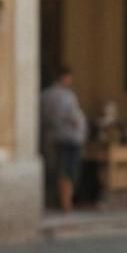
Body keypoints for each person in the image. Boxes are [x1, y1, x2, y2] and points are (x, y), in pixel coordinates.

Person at [39, 65, 87, 212]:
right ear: (64, 78)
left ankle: (54, 201)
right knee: (68, 171)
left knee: (55, 168)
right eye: (69, 78)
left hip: (51, 137)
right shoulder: (66, 96)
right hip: (69, 138)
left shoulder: (45, 95)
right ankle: (67, 204)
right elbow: (73, 117)